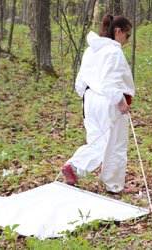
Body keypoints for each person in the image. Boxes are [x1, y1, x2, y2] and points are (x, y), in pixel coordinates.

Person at [61, 14, 134, 194]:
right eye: (127, 36)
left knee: (97, 140)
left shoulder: (91, 50)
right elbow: (110, 82)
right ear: (117, 32)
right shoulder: (114, 52)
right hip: (108, 101)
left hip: (90, 99)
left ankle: (74, 167)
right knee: (115, 143)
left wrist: (87, 96)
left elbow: (80, 80)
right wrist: (120, 101)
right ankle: (114, 185)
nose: (127, 41)